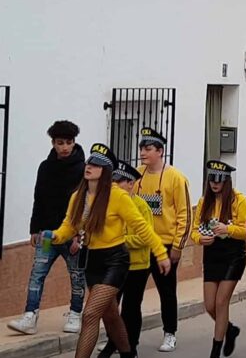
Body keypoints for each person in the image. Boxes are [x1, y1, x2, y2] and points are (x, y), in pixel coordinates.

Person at [48, 143, 171, 358]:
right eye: (89, 162)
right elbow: (70, 224)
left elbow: (142, 226)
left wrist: (160, 253)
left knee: (90, 314)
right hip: (91, 261)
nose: (89, 167)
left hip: (115, 260)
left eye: (96, 164)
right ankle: (127, 353)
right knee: (111, 316)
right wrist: (56, 236)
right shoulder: (78, 196)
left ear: (105, 171)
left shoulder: (118, 196)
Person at [9, 120, 86, 335]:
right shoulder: (45, 167)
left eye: (68, 142)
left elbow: (84, 204)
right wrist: (34, 229)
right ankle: (30, 315)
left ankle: (75, 314)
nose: (64, 147)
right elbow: (39, 198)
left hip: (71, 235)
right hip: (47, 233)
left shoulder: (83, 169)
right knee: (37, 274)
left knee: (77, 276)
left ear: (74, 142)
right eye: (60, 143)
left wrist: (79, 235)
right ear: (53, 143)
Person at [134, 127, 191, 353]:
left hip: (165, 245)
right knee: (133, 294)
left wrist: (177, 245)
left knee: (166, 292)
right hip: (139, 245)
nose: (143, 153)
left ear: (160, 151)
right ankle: (126, 337)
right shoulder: (136, 176)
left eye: (148, 149)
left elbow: (184, 213)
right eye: (141, 148)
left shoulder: (176, 178)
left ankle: (170, 333)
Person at [190, 161, 246, 358]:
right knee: (209, 305)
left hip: (233, 255)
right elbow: (194, 230)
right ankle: (230, 329)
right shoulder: (203, 202)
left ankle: (215, 349)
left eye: (219, 181)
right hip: (212, 254)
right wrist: (200, 239)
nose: (215, 184)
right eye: (212, 180)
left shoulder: (238, 200)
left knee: (221, 301)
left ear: (227, 181)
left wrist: (228, 229)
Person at [96, 161, 155, 358]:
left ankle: (131, 345)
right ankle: (113, 343)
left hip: (137, 265)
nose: (114, 185)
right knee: (110, 307)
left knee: (131, 308)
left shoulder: (141, 207)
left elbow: (144, 237)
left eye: (119, 182)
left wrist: (119, 241)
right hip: (114, 265)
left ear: (130, 184)